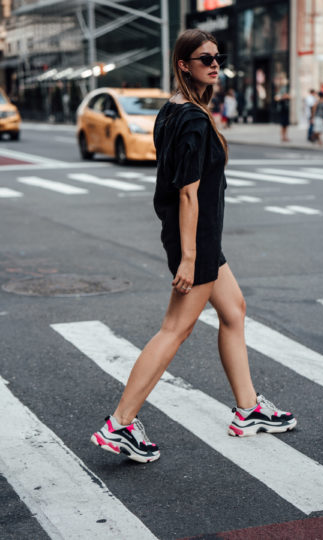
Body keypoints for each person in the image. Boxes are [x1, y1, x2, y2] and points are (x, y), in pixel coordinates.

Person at [91, 29, 297, 464]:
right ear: (184, 64)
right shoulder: (194, 119)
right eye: (205, 58)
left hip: (197, 237)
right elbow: (188, 192)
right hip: (195, 240)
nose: (215, 64)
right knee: (175, 329)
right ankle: (120, 424)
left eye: (218, 57)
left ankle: (248, 409)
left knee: (234, 309)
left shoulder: (174, 110)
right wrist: (188, 257)